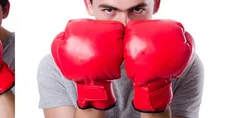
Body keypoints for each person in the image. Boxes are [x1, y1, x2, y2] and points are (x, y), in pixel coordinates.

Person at [37, 0, 204, 118]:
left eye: (137, 10)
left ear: (156, 4)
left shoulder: (184, 64)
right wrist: (92, 88)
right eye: (109, 10)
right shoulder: (55, 66)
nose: (124, 23)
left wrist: (155, 91)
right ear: (89, 4)